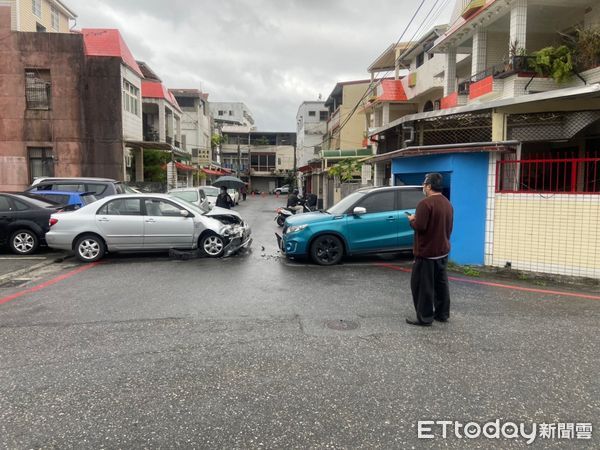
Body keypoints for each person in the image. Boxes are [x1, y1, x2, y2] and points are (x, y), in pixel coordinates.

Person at [406, 173, 453, 327]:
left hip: (427, 253)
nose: (423, 187)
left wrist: (412, 220)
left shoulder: (425, 204)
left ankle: (425, 317)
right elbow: (449, 228)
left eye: (424, 184)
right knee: (441, 284)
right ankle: (442, 313)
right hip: (442, 250)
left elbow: (420, 226)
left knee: (422, 286)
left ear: (429, 186)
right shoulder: (447, 203)